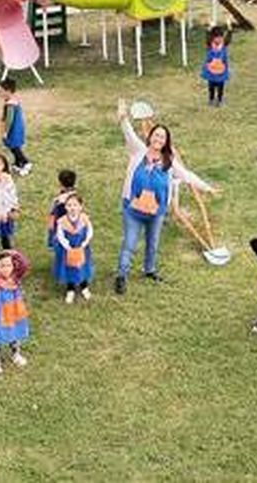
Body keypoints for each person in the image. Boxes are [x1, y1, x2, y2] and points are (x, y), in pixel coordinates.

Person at [114, 101, 214, 295]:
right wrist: (123, 117)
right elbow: (127, 131)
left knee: (153, 243)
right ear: (150, 137)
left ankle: (149, 270)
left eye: (163, 137)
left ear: (166, 141)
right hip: (133, 209)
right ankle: (121, 275)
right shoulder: (138, 151)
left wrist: (207, 187)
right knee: (130, 243)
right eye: (157, 135)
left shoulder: (169, 161)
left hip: (156, 212)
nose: (159, 138)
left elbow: (186, 175)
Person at [0, 250, 31, 374]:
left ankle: (16, 354)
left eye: (9, 265)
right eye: (2, 266)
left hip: (14, 313)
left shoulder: (15, 278)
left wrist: (14, 254)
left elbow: (24, 265)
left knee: (14, 334)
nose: (6, 269)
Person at [53, 192, 94, 304]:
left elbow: (90, 231)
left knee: (82, 266)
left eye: (75, 205)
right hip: (68, 250)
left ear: (81, 206)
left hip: (81, 248)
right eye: (69, 205)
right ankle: (70, 289)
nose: (72, 208)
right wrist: (67, 246)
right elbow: (60, 234)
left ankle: (84, 286)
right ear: (65, 207)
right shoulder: (62, 221)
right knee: (69, 268)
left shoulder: (84, 219)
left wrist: (85, 242)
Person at [46, 169, 78, 284]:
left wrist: (50, 225)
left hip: (61, 227)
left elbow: (53, 213)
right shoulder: (76, 197)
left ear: (60, 183)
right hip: (74, 226)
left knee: (61, 248)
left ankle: (62, 269)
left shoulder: (59, 200)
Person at [0, 79, 31, 176]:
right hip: (18, 127)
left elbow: (9, 120)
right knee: (15, 146)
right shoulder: (14, 99)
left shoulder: (10, 104)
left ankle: (26, 163)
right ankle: (17, 164)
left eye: (1, 91)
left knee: (14, 148)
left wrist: (5, 132)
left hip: (13, 130)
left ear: (8, 91)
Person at [201, 26, 231, 107]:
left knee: (221, 86)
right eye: (216, 37)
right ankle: (211, 100)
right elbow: (207, 37)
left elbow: (228, 39)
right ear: (213, 38)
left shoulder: (223, 46)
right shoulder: (210, 46)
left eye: (220, 37)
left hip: (221, 71)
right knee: (211, 86)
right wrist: (209, 29)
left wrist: (229, 28)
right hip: (211, 71)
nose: (219, 39)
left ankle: (220, 100)